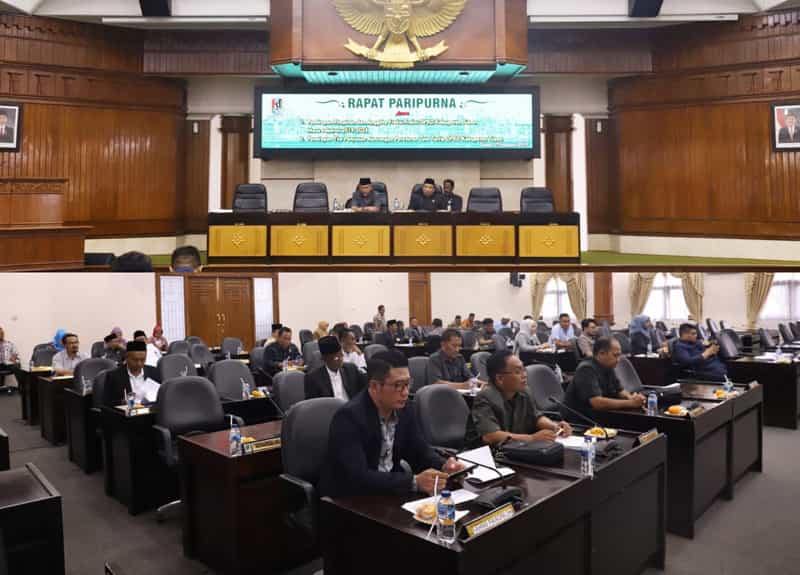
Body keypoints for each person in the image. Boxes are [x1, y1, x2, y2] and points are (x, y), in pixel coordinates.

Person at [319, 350, 464, 498]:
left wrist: (443, 465)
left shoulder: (405, 408)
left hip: (390, 489)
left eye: (408, 384)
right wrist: (414, 482)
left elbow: (419, 450)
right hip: (350, 498)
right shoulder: (349, 418)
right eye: (398, 385)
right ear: (375, 386)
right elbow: (358, 476)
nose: (405, 392)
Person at [466, 350, 571, 447]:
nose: (524, 375)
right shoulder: (485, 397)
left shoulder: (525, 391)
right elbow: (490, 436)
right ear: (500, 378)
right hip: (488, 454)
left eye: (523, 370)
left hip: (516, 448)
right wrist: (531, 438)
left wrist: (554, 426)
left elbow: (536, 417)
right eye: (517, 372)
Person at [563, 337, 646, 421]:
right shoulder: (586, 369)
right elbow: (597, 403)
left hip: (599, 414)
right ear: (601, 353)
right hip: (580, 419)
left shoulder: (608, 366)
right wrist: (630, 403)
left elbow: (620, 390)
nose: (618, 360)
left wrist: (631, 398)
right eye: (615, 355)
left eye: (619, 355)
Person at [304, 336, 366, 401]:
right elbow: (313, 404)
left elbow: (363, 391)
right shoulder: (313, 378)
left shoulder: (351, 369)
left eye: (341, 355)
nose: (340, 359)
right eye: (336, 358)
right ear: (324, 359)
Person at [102, 340, 161, 407]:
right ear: (126, 357)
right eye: (135, 360)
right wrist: (122, 402)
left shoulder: (154, 373)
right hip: (127, 412)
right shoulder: (113, 376)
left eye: (142, 360)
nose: (139, 363)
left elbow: (162, 396)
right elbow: (106, 404)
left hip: (150, 411)